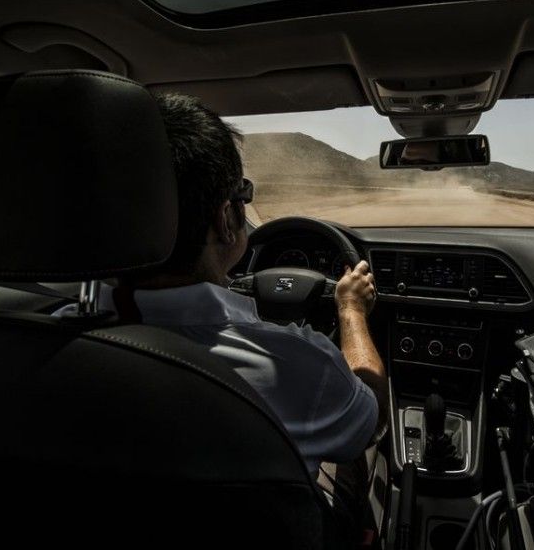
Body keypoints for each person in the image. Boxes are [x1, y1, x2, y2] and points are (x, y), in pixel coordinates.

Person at [58, 93, 386, 533]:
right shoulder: (293, 365)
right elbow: (371, 418)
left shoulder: (38, 340)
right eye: (242, 195)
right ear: (226, 219)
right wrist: (351, 311)